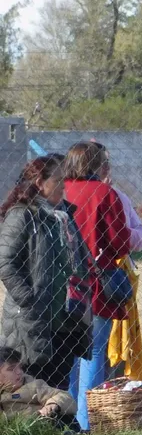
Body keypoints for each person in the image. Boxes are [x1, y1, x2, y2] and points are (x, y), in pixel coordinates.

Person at [62, 142, 133, 432]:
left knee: (65, 357)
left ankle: (61, 417)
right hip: (95, 287)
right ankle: (84, 423)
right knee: (92, 354)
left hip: (60, 287)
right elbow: (121, 241)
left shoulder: (59, 191)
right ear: (96, 165)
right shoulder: (104, 193)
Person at [0, 156, 85, 392]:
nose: (63, 187)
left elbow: (78, 259)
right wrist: (29, 299)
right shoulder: (23, 215)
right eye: (58, 181)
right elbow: (5, 262)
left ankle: (62, 426)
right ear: (40, 182)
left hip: (65, 319)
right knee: (32, 387)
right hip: (33, 320)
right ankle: (38, 428)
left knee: (60, 387)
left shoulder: (63, 216)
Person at [0, 346, 77, 424]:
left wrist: (52, 404)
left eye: (20, 367)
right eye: (11, 369)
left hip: (44, 425)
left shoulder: (33, 386)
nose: (19, 372)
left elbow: (65, 397)